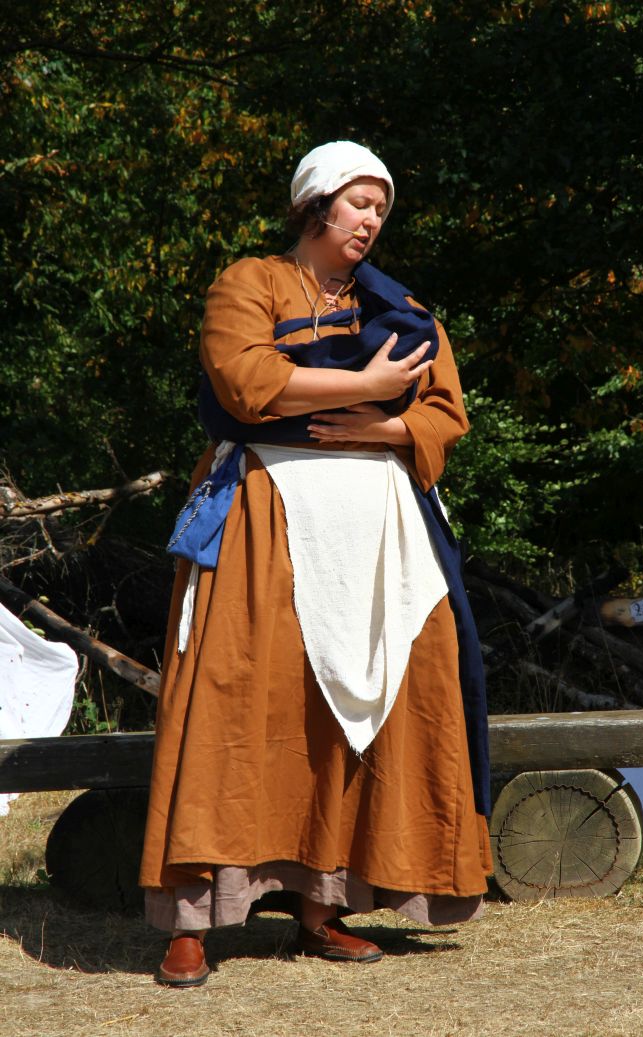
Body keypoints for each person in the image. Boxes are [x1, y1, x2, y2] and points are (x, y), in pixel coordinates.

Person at [139, 140, 492, 986]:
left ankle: (322, 905)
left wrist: (385, 426)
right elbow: (244, 380)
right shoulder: (250, 283)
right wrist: (365, 383)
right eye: (358, 203)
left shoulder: (398, 307)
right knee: (230, 698)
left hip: (377, 528)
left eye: (381, 208)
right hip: (265, 510)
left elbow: (444, 411)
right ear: (316, 204)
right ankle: (193, 916)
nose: (371, 220)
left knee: (350, 712)